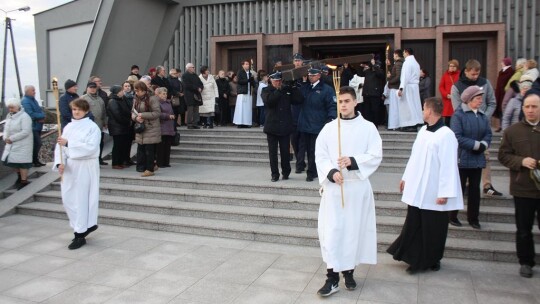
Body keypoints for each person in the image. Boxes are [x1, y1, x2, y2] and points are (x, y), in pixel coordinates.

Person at [314, 86, 382, 297]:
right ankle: (332, 277)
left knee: (353, 232)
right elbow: (320, 155)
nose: (343, 105)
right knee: (333, 232)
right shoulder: (329, 128)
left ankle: (349, 271)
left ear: (355, 102)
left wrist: (353, 161)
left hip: (356, 189)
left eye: (346, 101)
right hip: (335, 189)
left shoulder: (368, 128)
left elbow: (375, 154)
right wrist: (332, 171)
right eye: (340, 101)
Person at [387, 97, 463, 273]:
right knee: (415, 223)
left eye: (423, 108)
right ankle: (414, 256)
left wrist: (444, 192)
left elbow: (449, 166)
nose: (422, 112)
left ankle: (430, 259)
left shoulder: (446, 135)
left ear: (429, 111)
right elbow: (415, 156)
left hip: (434, 191)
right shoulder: (423, 131)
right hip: (417, 188)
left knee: (433, 228)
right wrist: (405, 177)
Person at [498, 92, 540, 278]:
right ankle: (526, 261)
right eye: (527, 107)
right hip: (523, 188)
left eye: (534, 106)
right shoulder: (513, 131)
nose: (530, 110)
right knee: (524, 229)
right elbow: (503, 155)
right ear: (522, 108)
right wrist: (521, 161)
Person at [53, 98, 101, 250]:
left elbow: (91, 148)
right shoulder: (68, 127)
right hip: (70, 168)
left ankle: (80, 233)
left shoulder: (92, 127)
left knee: (81, 199)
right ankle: (83, 226)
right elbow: (60, 146)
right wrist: (60, 162)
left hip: (85, 167)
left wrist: (69, 144)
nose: (76, 112)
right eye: (74, 109)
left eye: (79, 109)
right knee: (69, 199)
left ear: (86, 110)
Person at [451, 59, 500, 196]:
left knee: (485, 155)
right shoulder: (457, 86)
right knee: (466, 156)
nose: (475, 77)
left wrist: (483, 116)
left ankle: (487, 185)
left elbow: (492, 102)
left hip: (481, 127)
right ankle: (466, 184)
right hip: (465, 127)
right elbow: (457, 109)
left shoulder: (485, 83)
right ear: (466, 71)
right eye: (472, 74)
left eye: (477, 74)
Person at [449, 85, 492, 229]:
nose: (481, 101)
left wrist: (484, 144)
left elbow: (488, 133)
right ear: (469, 99)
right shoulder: (458, 115)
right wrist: (475, 145)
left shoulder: (482, 115)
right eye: (478, 98)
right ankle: (452, 215)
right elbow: (457, 136)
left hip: (477, 158)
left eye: (481, 98)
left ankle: (474, 218)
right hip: (463, 157)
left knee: (475, 189)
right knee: (459, 188)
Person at [261, 71, 303, 182]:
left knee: (285, 152)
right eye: (275, 81)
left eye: (279, 80)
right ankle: (274, 174)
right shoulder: (266, 90)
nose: (278, 83)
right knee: (273, 153)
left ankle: (286, 172)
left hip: (285, 126)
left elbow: (298, 100)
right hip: (272, 127)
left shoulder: (286, 90)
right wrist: (279, 91)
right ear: (271, 80)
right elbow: (270, 101)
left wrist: (293, 87)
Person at [299, 68, 337, 182]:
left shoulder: (327, 89)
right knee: (303, 149)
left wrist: (331, 119)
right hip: (305, 124)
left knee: (313, 150)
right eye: (309, 75)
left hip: (318, 124)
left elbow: (332, 105)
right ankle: (306, 168)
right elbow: (297, 98)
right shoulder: (305, 87)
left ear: (319, 76)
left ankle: (312, 172)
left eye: (313, 75)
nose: (310, 77)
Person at [2, 98, 33, 190]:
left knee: (22, 163)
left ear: (18, 107)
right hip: (12, 143)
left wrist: (11, 138)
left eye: (12, 107)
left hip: (23, 143)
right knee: (14, 162)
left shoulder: (24, 116)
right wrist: (5, 138)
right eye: (9, 108)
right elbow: (6, 129)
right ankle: (19, 178)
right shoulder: (9, 116)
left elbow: (26, 131)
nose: (10, 110)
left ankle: (24, 180)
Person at [132, 81, 161, 176]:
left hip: (151, 128)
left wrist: (142, 115)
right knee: (142, 149)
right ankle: (146, 166)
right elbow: (132, 112)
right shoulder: (136, 99)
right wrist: (136, 118)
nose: (136, 92)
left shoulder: (152, 99)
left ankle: (150, 169)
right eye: (135, 90)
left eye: (138, 90)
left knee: (149, 150)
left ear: (144, 90)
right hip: (141, 128)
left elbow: (157, 113)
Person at [397, 48, 423, 132]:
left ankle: (409, 124)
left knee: (408, 106)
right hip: (414, 86)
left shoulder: (407, 62)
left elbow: (405, 76)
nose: (403, 54)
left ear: (407, 52)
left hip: (408, 86)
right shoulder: (416, 63)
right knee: (414, 104)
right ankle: (416, 122)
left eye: (404, 53)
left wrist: (401, 88)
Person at [82, 82, 108, 166]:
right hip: (89, 127)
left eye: (94, 87)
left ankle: (98, 159)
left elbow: (104, 112)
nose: (93, 89)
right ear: (87, 88)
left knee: (100, 143)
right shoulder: (83, 99)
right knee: (90, 144)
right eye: (91, 87)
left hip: (100, 126)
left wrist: (105, 122)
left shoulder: (100, 99)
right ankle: (91, 161)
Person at [106, 85, 132, 169]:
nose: (123, 92)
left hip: (123, 126)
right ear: (117, 92)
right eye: (121, 91)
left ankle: (121, 161)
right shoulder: (112, 101)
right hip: (117, 127)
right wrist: (127, 121)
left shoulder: (122, 100)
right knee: (117, 145)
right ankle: (115, 162)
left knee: (122, 145)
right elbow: (117, 115)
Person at [20, 85, 46, 167]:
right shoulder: (25, 101)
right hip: (32, 126)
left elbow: (40, 110)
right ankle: (34, 160)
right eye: (33, 90)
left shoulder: (33, 100)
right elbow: (30, 114)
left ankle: (35, 160)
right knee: (37, 143)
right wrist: (41, 116)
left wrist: (41, 115)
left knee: (36, 144)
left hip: (37, 125)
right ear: (27, 91)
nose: (34, 92)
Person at [357, 59, 385, 127]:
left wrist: (374, 65)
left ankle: (375, 125)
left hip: (375, 94)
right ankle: (367, 125)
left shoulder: (379, 71)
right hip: (366, 94)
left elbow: (380, 75)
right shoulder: (368, 71)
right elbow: (360, 74)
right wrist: (362, 66)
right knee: (367, 111)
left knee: (375, 110)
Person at [156, 87, 175, 168]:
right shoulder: (157, 103)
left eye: (166, 94)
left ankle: (166, 162)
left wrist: (173, 116)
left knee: (167, 146)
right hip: (162, 126)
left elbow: (172, 112)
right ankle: (160, 163)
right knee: (161, 147)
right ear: (159, 94)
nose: (165, 95)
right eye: (163, 94)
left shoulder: (168, 103)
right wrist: (167, 116)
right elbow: (158, 114)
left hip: (169, 126)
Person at [494, 57, 515, 130]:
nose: (501, 63)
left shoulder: (510, 71)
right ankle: (501, 125)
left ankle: (504, 126)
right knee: (500, 109)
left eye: (502, 62)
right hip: (499, 93)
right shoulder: (502, 71)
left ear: (506, 63)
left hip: (505, 94)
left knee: (504, 108)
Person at [234, 60, 255, 128]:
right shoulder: (240, 72)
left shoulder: (249, 73)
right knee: (241, 108)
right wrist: (248, 80)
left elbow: (252, 83)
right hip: (242, 92)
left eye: (248, 64)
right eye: (246, 64)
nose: (247, 65)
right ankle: (239, 123)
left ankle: (246, 122)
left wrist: (252, 81)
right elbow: (239, 81)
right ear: (243, 65)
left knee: (247, 108)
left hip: (248, 92)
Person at [386, 49, 404, 130]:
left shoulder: (398, 64)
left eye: (394, 55)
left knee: (394, 108)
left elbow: (398, 76)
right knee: (394, 107)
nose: (393, 56)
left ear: (396, 55)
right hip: (395, 87)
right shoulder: (398, 64)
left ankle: (395, 125)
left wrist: (390, 82)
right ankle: (394, 125)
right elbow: (395, 74)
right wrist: (389, 66)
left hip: (395, 88)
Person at [182, 63, 203, 129]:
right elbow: (187, 85)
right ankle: (189, 124)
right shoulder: (185, 75)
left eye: (194, 67)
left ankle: (195, 123)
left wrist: (201, 88)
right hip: (189, 95)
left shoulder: (195, 75)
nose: (194, 68)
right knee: (190, 110)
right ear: (188, 68)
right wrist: (197, 88)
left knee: (196, 109)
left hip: (196, 95)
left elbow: (200, 83)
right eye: (193, 67)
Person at [438, 60, 460, 126]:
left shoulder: (460, 75)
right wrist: (446, 95)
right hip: (447, 100)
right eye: (450, 66)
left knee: (456, 116)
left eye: (454, 66)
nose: (452, 67)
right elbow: (441, 87)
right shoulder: (445, 75)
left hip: (457, 99)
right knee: (448, 118)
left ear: (457, 67)